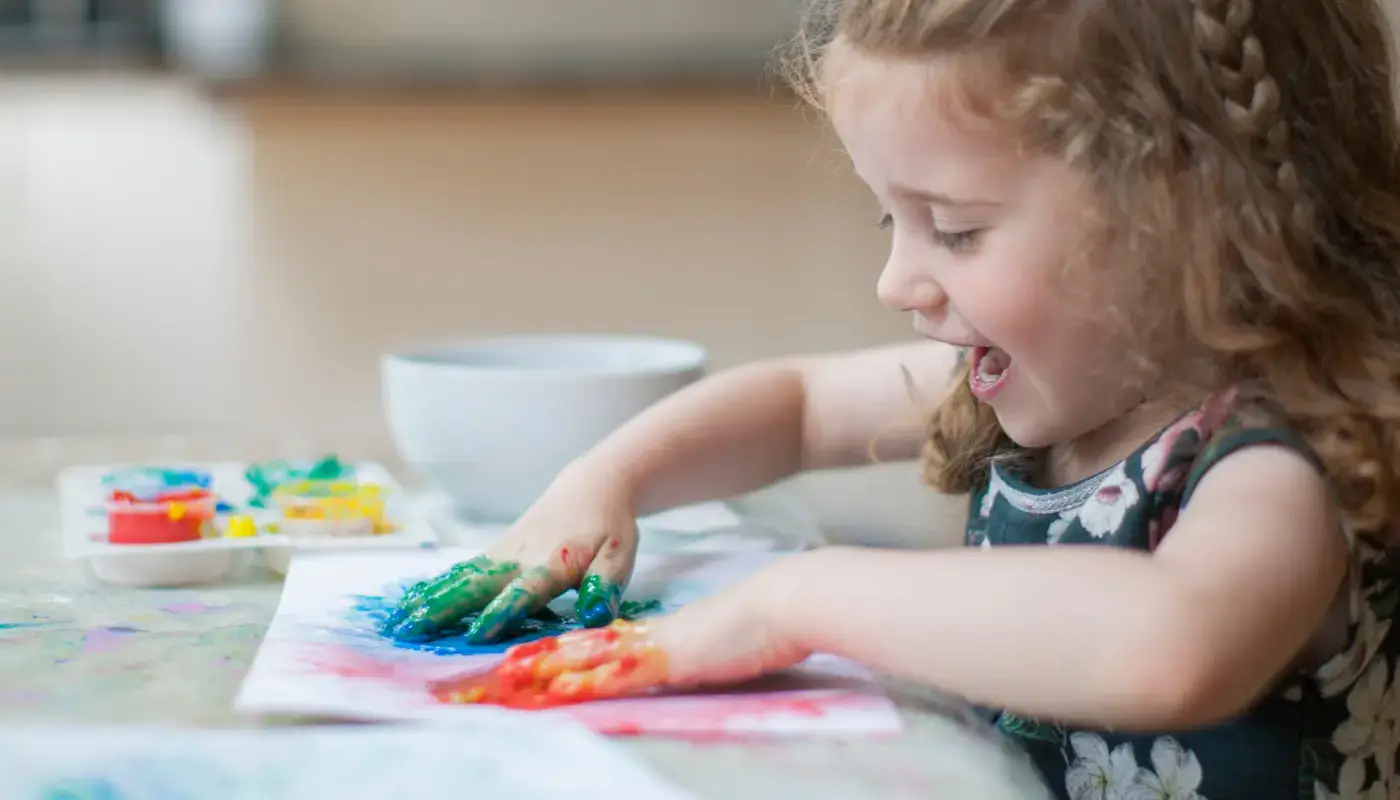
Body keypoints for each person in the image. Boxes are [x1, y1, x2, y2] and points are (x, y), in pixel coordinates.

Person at [385, 0, 1400, 795]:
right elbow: (792, 402)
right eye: (889, 223)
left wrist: (795, 598)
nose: (896, 282)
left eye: (953, 229)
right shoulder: (1027, 385)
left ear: (1184, 210)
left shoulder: (1280, 461)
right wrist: (602, 478)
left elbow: (1170, 645)